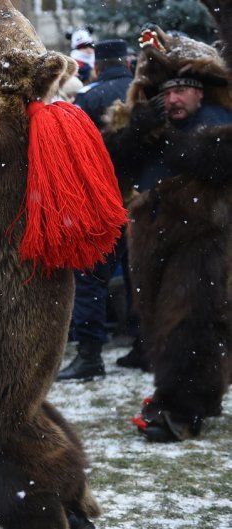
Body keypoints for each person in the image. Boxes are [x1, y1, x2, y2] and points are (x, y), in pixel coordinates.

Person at [104, 25, 232, 442]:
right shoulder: (149, 121)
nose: (174, 99)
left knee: (188, 324)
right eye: (168, 91)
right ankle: (189, 395)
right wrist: (136, 133)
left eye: (183, 90)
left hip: (201, 240)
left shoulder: (217, 122)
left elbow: (213, 161)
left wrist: (169, 142)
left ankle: (179, 408)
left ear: (200, 93)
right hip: (151, 241)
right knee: (158, 322)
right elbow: (113, 163)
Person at [58, 39, 136, 381]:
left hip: (104, 200)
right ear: (128, 62)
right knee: (144, 276)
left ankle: (90, 354)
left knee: (90, 277)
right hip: (147, 200)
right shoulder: (144, 93)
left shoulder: (89, 98)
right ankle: (144, 344)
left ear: (100, 66)